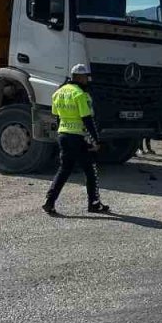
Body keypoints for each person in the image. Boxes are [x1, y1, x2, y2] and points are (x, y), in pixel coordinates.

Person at [43, 64, 110, 215]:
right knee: (90, 170)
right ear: (79, 77)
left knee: (64, 170)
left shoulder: (58, 92)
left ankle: (49, 202)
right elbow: (87, 119)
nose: (88, 80)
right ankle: (94, 203)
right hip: (77, 137)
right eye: (86, 77)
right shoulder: (80, 95)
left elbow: (57, 116)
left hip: (63, 136)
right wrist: (97, 140)